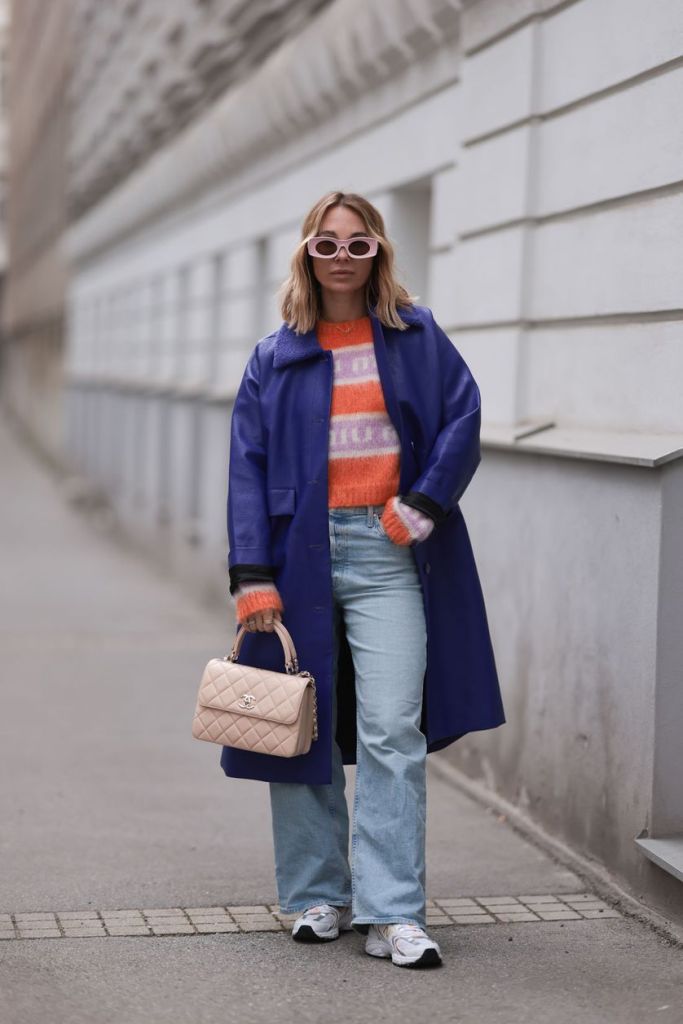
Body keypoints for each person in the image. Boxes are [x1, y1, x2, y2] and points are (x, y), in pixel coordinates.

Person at [225, 190, 506, 969]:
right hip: (295, 558)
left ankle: (392, 912)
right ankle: (319, 895)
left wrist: (421, 504)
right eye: (327, 244)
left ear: (378, 252)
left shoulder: (414, 336)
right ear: (306, 255)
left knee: (390, 727)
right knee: (298, 727)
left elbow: (463, 417)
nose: (342, 257)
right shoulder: (274, 354)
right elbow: (246, 468)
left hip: (389, 557)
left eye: (357, 244)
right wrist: (250, 574)